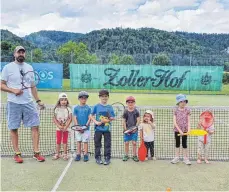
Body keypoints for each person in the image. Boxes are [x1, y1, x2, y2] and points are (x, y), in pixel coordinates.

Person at [0, 46, 45, 163]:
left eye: (23, 52)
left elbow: (33, 86)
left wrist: (38, 101)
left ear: (25, 54)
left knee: (35, 126)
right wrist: (13, 90)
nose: (21, 54)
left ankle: (36, 152)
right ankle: (17, 154)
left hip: (29, 102)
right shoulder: (7, 68)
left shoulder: (29, 67)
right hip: (13, 103)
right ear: (14, 54)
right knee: (13, 128)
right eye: (19, 52)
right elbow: (1, 85)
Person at [90, 89, 115, 165]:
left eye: (106, 96)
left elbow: (112, 117)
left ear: (108, 97)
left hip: (107, 129)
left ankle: (107, 158)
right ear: (100, 97)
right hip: (98, 129)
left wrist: (109, 120)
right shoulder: (96, 106)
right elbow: (90, 115)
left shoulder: (110, 107)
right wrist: (96, 122)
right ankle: (98, 157)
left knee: (107, 144)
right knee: (97, 144)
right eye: (102, 96)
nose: (104, 98)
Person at [171, 94, 191, 165]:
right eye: (181, 101)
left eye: (184, 101)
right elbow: (175, 122)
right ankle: (176, 157)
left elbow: (189, 121)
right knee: (177, 144)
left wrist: (189, 129)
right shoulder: (175, 110)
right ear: (178, 102)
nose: (183, 103)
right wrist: (180, 131)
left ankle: (185, 158)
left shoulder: (187, 110)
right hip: (177, 131)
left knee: (184, 144)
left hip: (185, 130)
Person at [53, 93, 72, 161]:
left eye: (65, 100)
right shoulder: (56, 109)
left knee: (65, 141)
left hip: (66, 129)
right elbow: (54, 119)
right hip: (59, 129)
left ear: (67, 101)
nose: (63, 101)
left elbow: (70, 118)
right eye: (62, 100)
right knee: (58, 141)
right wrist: (59, 126)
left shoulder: (68, 109)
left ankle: (65, 154)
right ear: (59, 101)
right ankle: (57, 154)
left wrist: (66, 127)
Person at [73, 91, 91, 162]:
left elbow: (90, 117)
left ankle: (85, 155)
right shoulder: (76, 108)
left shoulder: (88, 108)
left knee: (85, 142)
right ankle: (78, 154)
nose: (84, 99)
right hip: (78, 129)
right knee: (79, 141)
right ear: (79, 99)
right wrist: (77, 126)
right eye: (82, 98)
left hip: (86, 129)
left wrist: (86, 126)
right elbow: (75, 117)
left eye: (85, 98)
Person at [122, 96, 140, 162]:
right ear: (127, 103)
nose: (130, 103)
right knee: (126, 143)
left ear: (134, 103)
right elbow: (123, 121)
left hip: (134, 131)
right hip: (127, 130)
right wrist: (125, 129)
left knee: (134, 143)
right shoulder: (125, 112)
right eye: (129, 102)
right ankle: (126, 155)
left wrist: (135, 127)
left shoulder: (136, 111)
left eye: (132, 102)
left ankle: (134, 155)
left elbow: (138, 120)